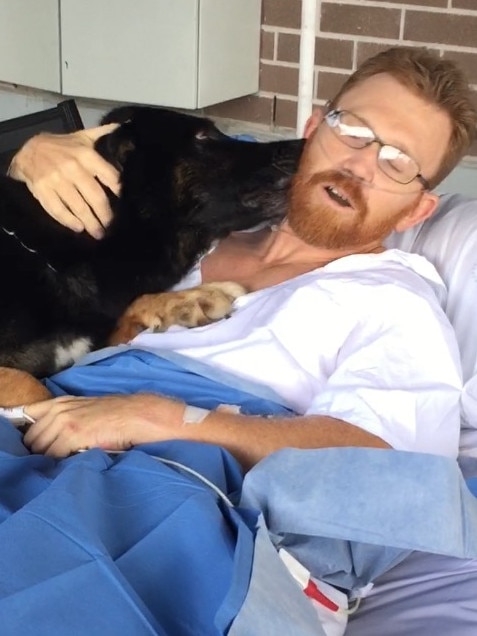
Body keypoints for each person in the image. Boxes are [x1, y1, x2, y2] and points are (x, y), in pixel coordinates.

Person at [6, 47, 476, 468]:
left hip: (128, 486)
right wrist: (29, 153)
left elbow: (389, 463)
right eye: (353, 129)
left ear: (417, 210)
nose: (360, 165)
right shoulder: (196, 219)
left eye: (399, 162)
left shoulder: (393, 304)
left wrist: (162, 419)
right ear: (312, 131)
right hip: (30, 424)